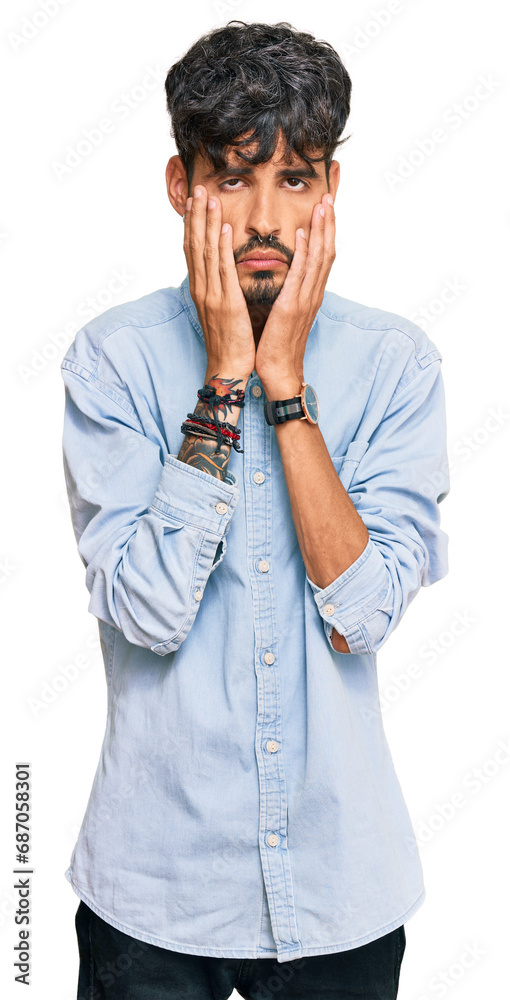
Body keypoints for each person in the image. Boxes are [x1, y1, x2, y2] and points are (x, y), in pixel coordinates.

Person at [61, 20, 449, 1000]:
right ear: (181, 186)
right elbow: (148, 610)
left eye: (297, 178)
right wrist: (224, 381)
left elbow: (363, 614)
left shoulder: (396, 366)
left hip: (340, 888)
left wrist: (284, 388)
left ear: (330, 190)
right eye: (233, 178)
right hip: (153, 892)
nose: (266, 218)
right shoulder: (111, 362)